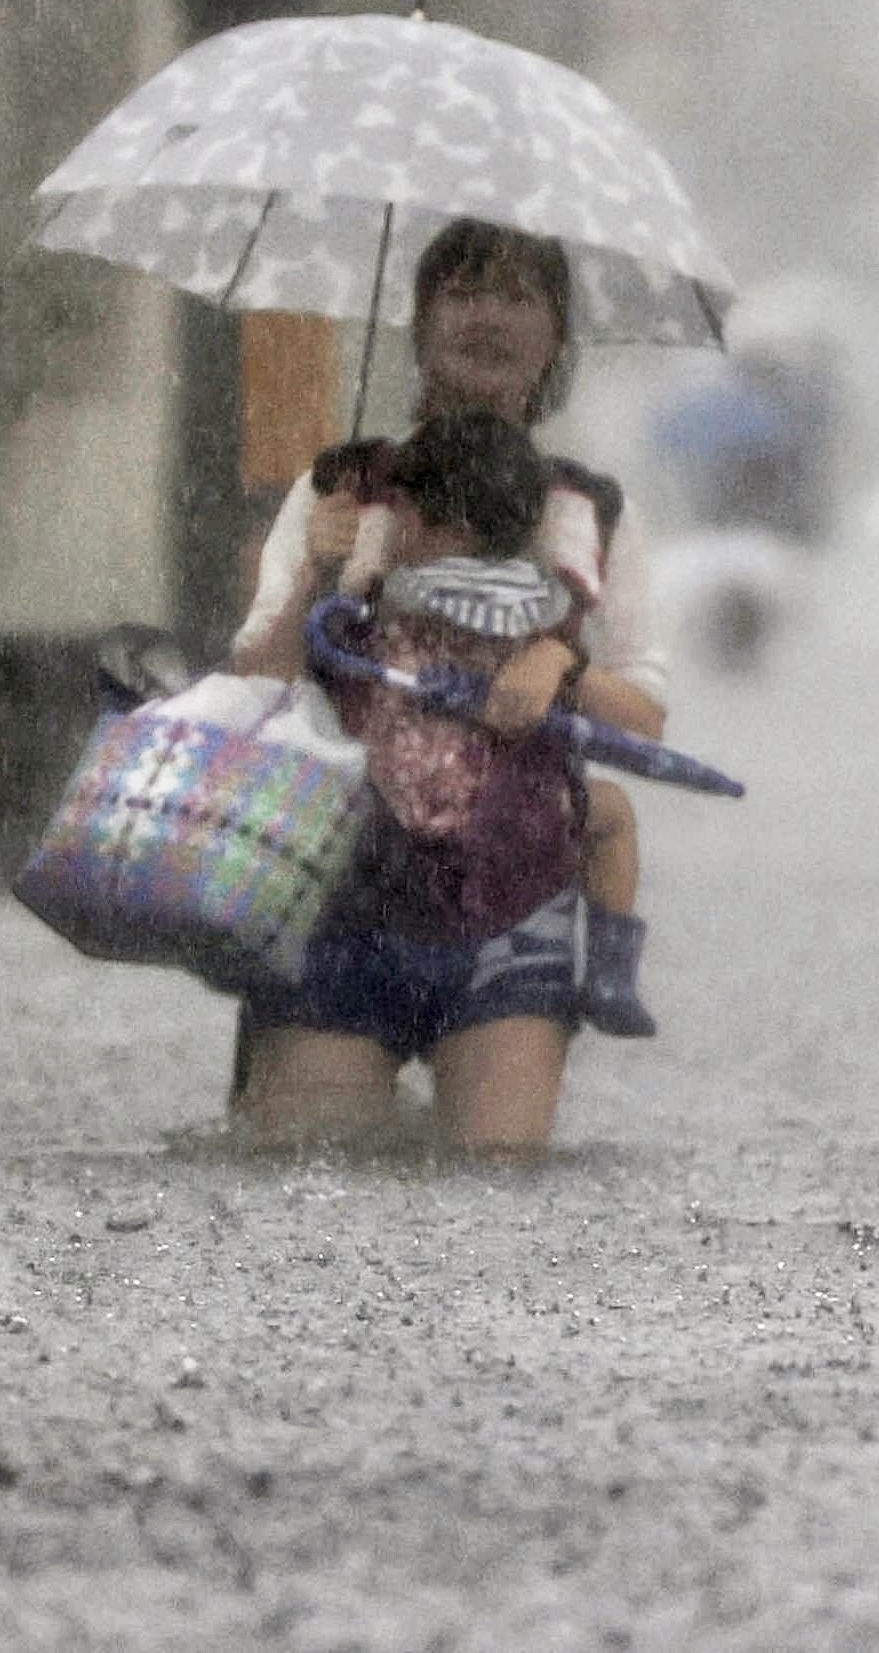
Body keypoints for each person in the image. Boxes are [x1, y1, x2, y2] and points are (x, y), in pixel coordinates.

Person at [222, 219, 670, 1155]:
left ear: (555, 339)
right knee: (302, 1176)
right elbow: (250, 684)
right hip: (339, 901)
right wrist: (314, 574)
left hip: (516, 905)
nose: (490, 319)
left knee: (496, 1178)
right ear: (420, 323)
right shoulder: (342, 490)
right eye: (464, 293)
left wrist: (564, 667)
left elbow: (648, 718)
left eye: (518, 297)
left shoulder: (590, 511)